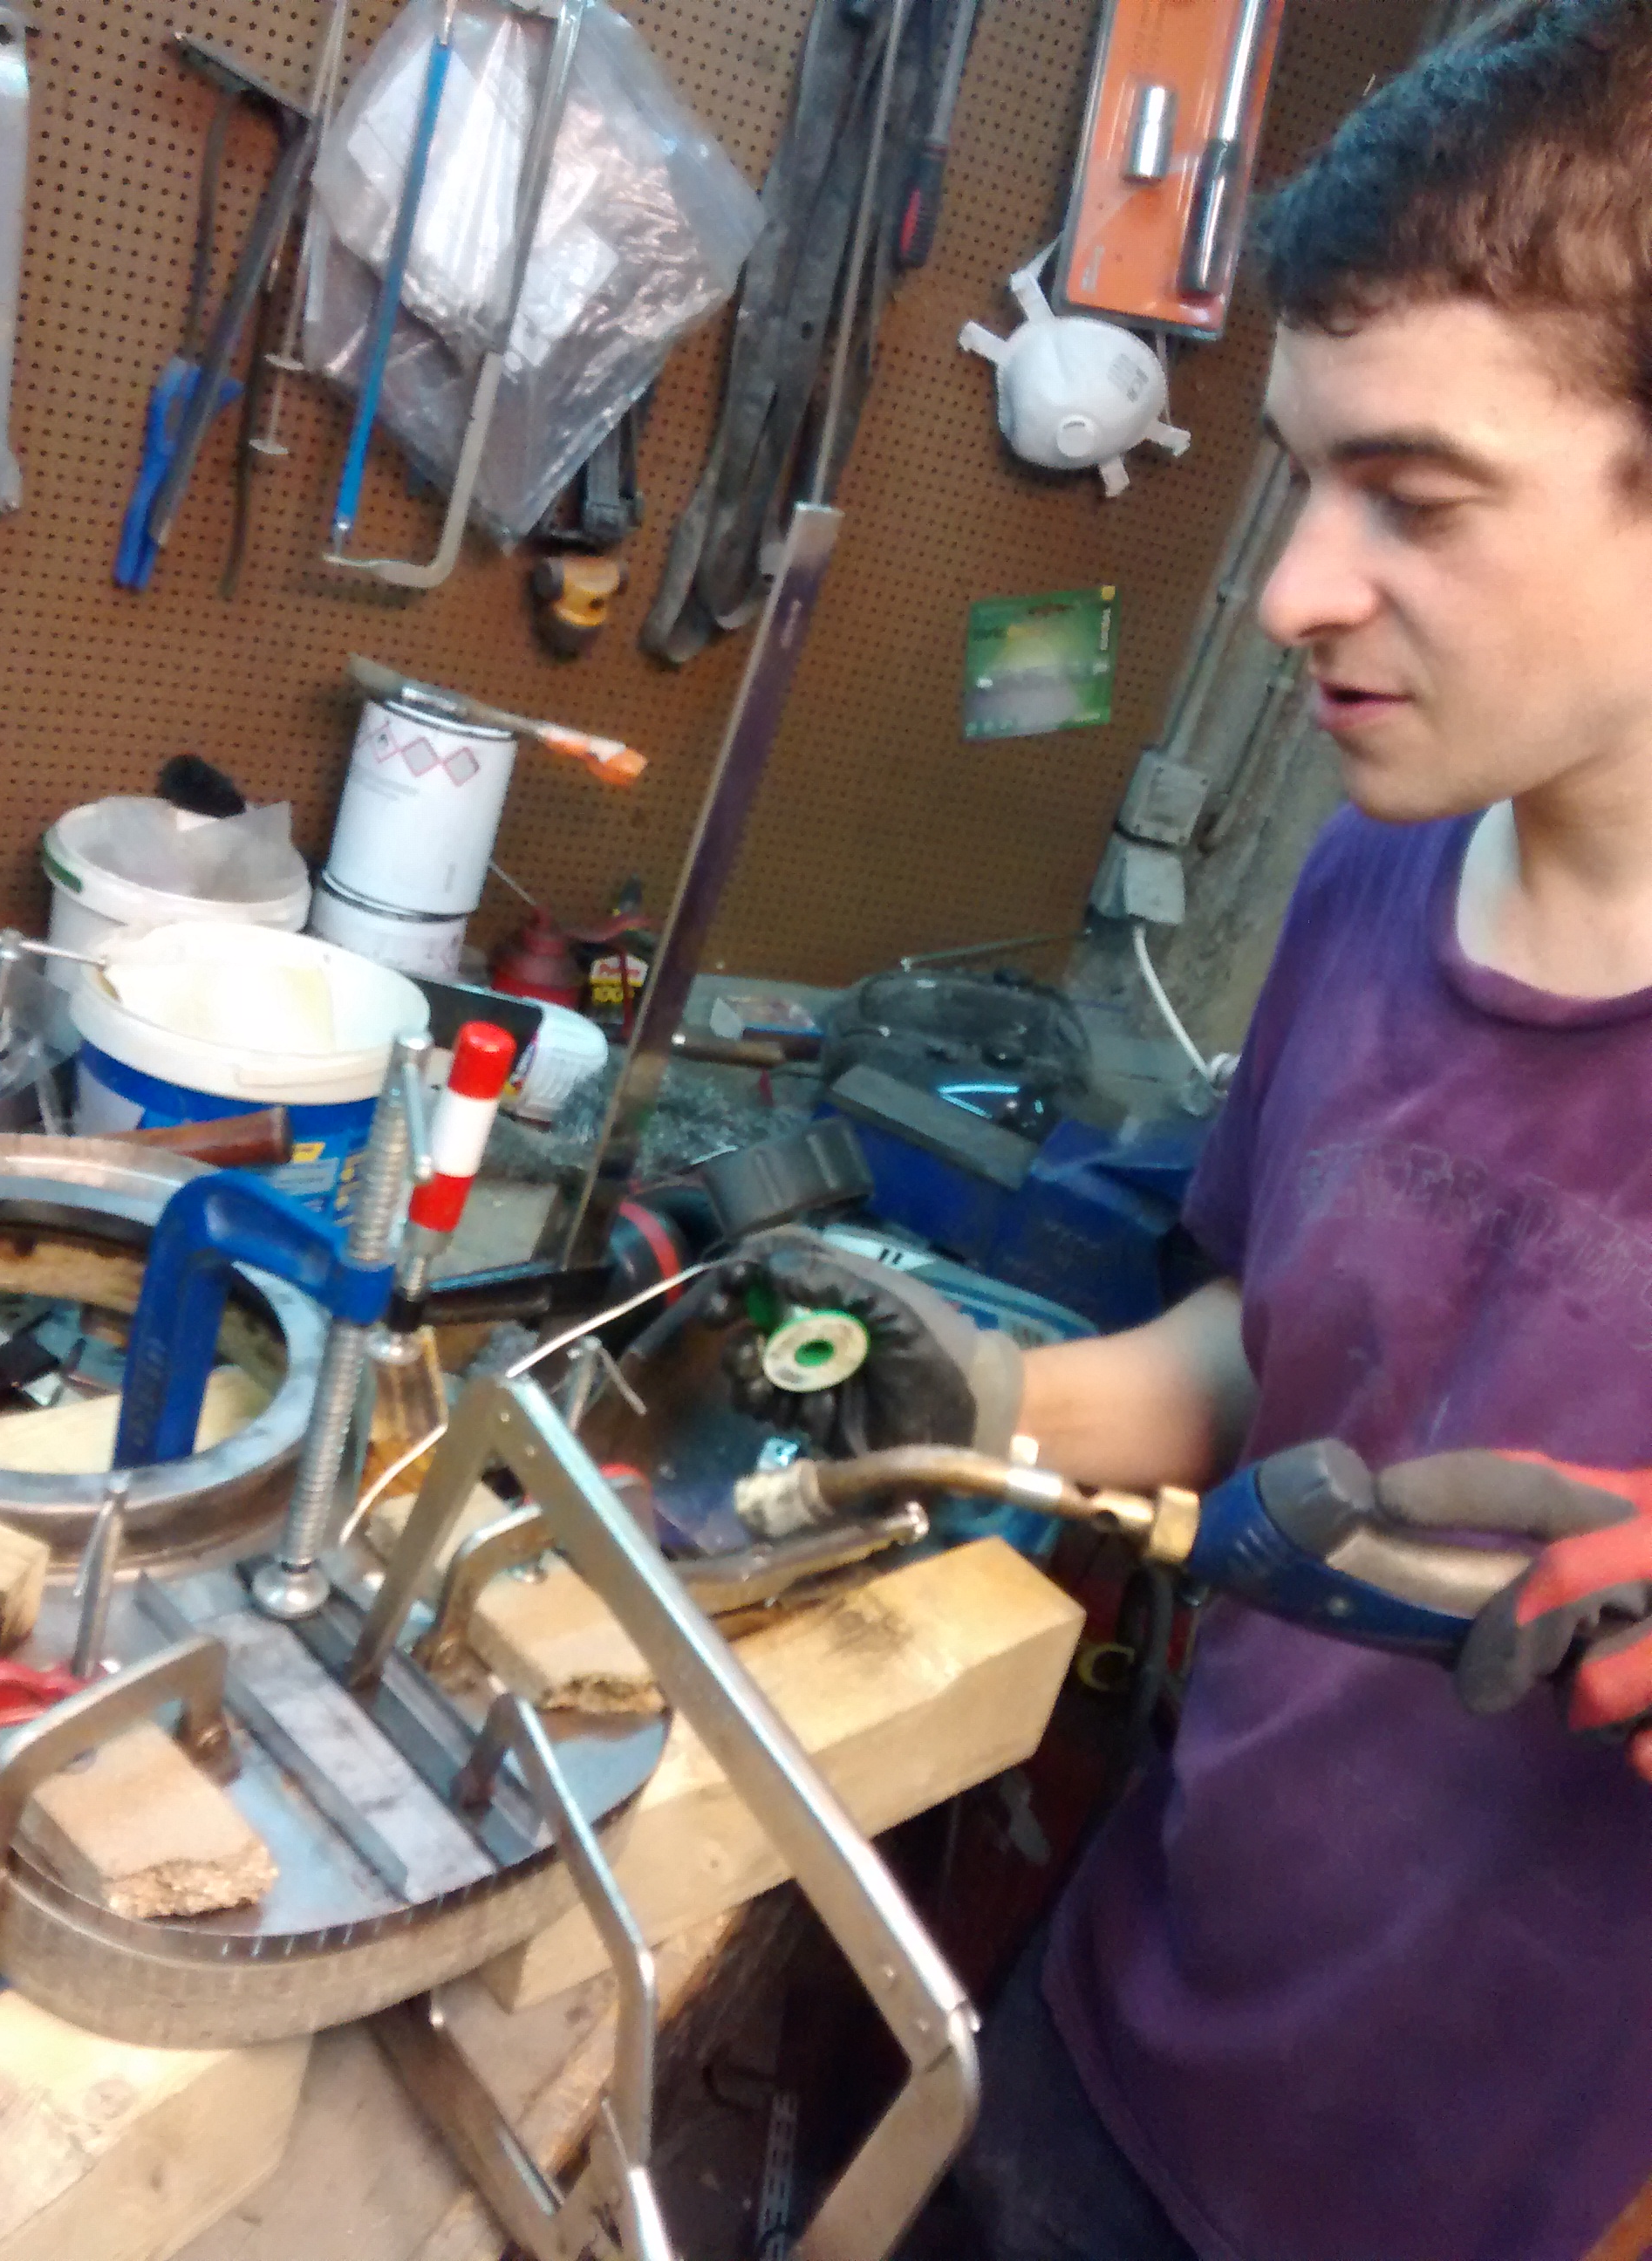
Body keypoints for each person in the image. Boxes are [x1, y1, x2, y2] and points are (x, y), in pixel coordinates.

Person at [736, 6, 1652, 2254]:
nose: (1291, 593)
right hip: (1121, 2030)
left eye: (1412, 498)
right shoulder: (1373, 874)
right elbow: (1292, 1351)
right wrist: (981, 1410)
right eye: (1305, 478)